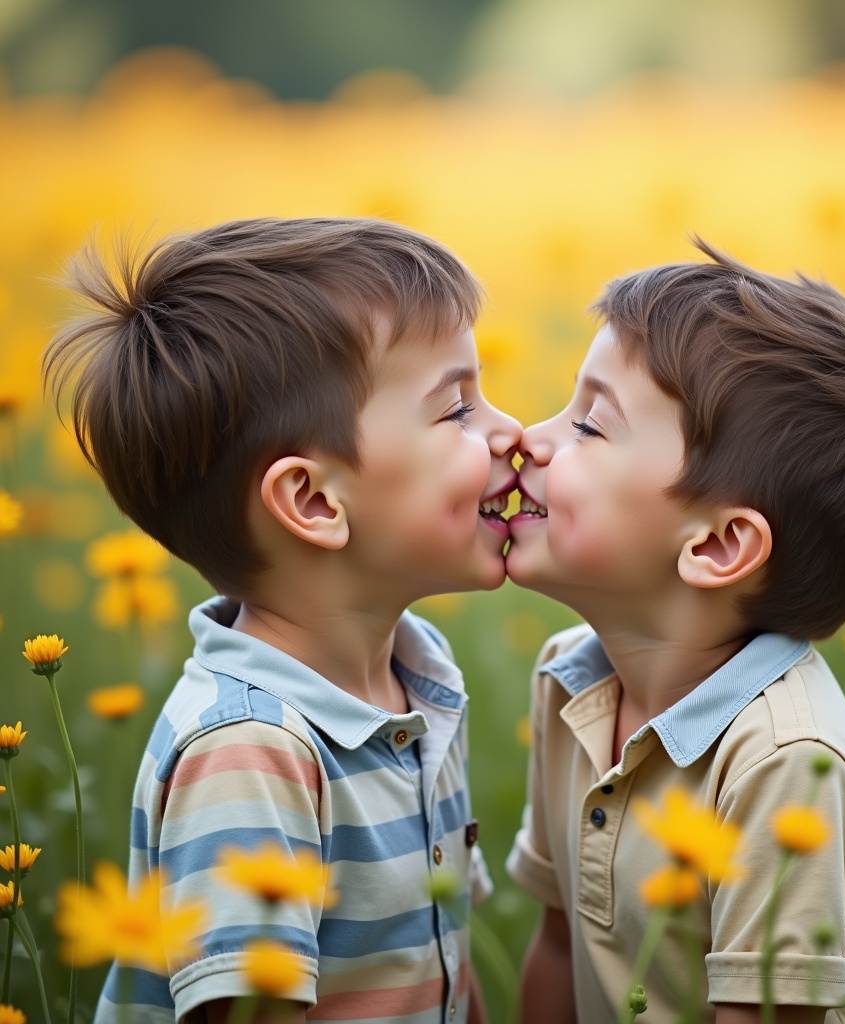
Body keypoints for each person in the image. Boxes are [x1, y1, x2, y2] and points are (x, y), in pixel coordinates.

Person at [45, 218, 521, 1023]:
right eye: (456, 411)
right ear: (313, 502)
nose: (511, 433)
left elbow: (445, 956)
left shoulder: (418, 679)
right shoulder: (250, 752)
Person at [504, 241, 845, 1024]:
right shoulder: (568, 680)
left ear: (717, 546)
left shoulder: (786, 764)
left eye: (589, 426)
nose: (532, 438)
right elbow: (558, 949)